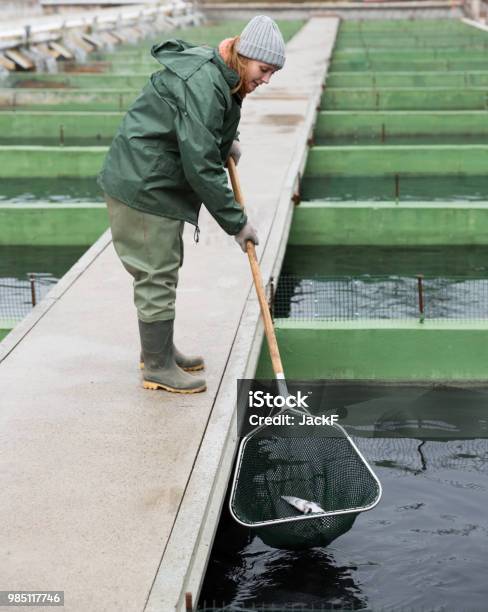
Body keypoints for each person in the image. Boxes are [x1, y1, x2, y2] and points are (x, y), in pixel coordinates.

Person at [97, 16, 286, 394]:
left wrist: (223, 142)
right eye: (265, 70)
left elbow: (199, 129)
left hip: (153, 178)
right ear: (245, 56)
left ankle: (159, 351)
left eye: (273, 73)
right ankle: (157, 366)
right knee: (157, 273)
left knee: (164, 266)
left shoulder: (222, 70)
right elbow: (199, 165)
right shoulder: (204, 83)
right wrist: (236, 223)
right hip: (145, 184)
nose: (267, 79)